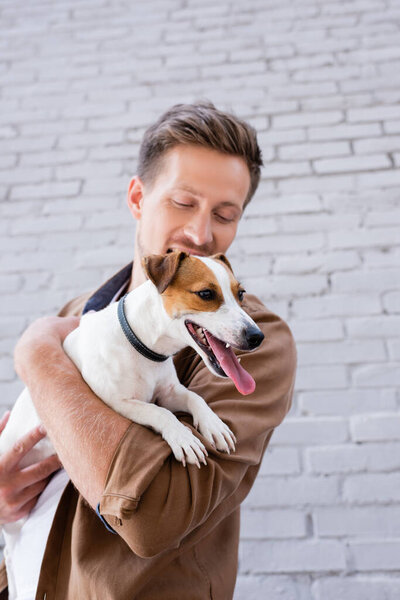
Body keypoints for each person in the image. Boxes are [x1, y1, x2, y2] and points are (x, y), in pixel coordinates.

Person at [0, 102, 297, 599]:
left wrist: (36, 356)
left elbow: (153, 521)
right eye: (183, 203)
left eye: (225, 215)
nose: (202, 235)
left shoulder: (259, 346)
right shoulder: (81, 311)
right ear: (138, 198)